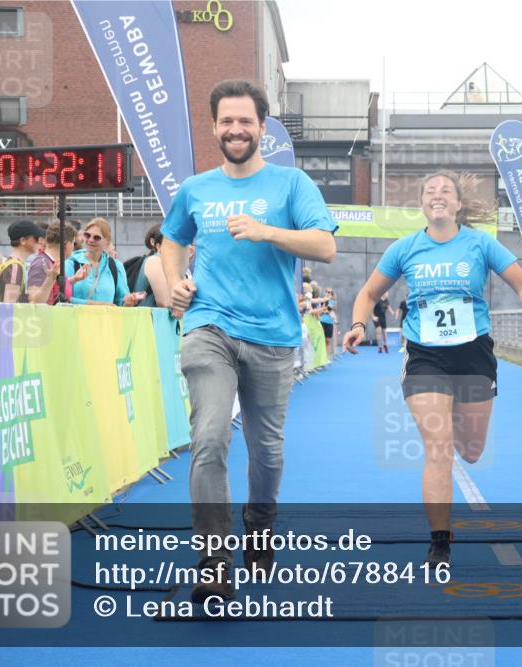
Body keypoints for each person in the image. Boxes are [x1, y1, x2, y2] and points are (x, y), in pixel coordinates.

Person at [160, 79, 337, 602]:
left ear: (262, 127)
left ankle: (260, 521)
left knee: (267, 451)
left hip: (273, 335)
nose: (235, 130)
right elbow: (173, 239)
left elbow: (325, 246)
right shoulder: (196, 188)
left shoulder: (291, 184)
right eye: (226, 121)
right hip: (208, 327)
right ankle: (215, 560)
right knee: (210, 436)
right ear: (213, 126)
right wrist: (175, 283)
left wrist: (267, 231)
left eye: (245, 121)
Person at [343, 171, 522, 565]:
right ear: (422, 204)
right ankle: (440, 542)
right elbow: (368, 292)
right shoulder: (405, 248)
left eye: (446, 191)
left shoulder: (481, 244)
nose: (438, 195)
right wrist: (358, 325)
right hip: (426, 357)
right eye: (430, 191)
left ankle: (455, 417)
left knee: (471, 450)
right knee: (438, 446)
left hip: (473, 355)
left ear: (458, 205)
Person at [65, 218, 144, 306]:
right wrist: (98, 305)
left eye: (97, 237)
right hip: (75, 315)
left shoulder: (116, 266)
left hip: (108, 315)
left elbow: (121, 301)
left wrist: (128, 302)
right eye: (87, 235)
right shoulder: (71, 263)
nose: (90, 240)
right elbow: (63, 298)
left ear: (107, 241)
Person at [28, 221, 89, 305]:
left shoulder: (52, 263)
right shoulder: (41, 263)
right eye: (73, 243)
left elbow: (54, 288)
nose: (73, 247)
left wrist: (73, 279)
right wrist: (51, 278)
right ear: (66, 244)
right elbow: (34, 300)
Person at [0, 219, 55, 303]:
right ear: (23, 241)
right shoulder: (15, 267)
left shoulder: (14, 264)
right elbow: (9, 304)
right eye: (36, 238)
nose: (40, 241)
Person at [129, 224, 170, 308]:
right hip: (150, 316)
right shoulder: (155, 261)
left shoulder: (158, 262)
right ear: (158, 246)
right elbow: (164, 302)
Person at [319, 287, 337, 359]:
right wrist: (323, 309)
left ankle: (327, 357)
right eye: (326, 292)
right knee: (321, 340)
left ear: (332, 295)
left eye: (329, 292)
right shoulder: (321, 301)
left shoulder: (332, 302)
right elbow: (320, 310)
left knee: (328, 340)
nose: (328, 293)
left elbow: (328, 310)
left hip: (329, 323)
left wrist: (323, 310)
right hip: (321, 322)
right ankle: (321, 357)